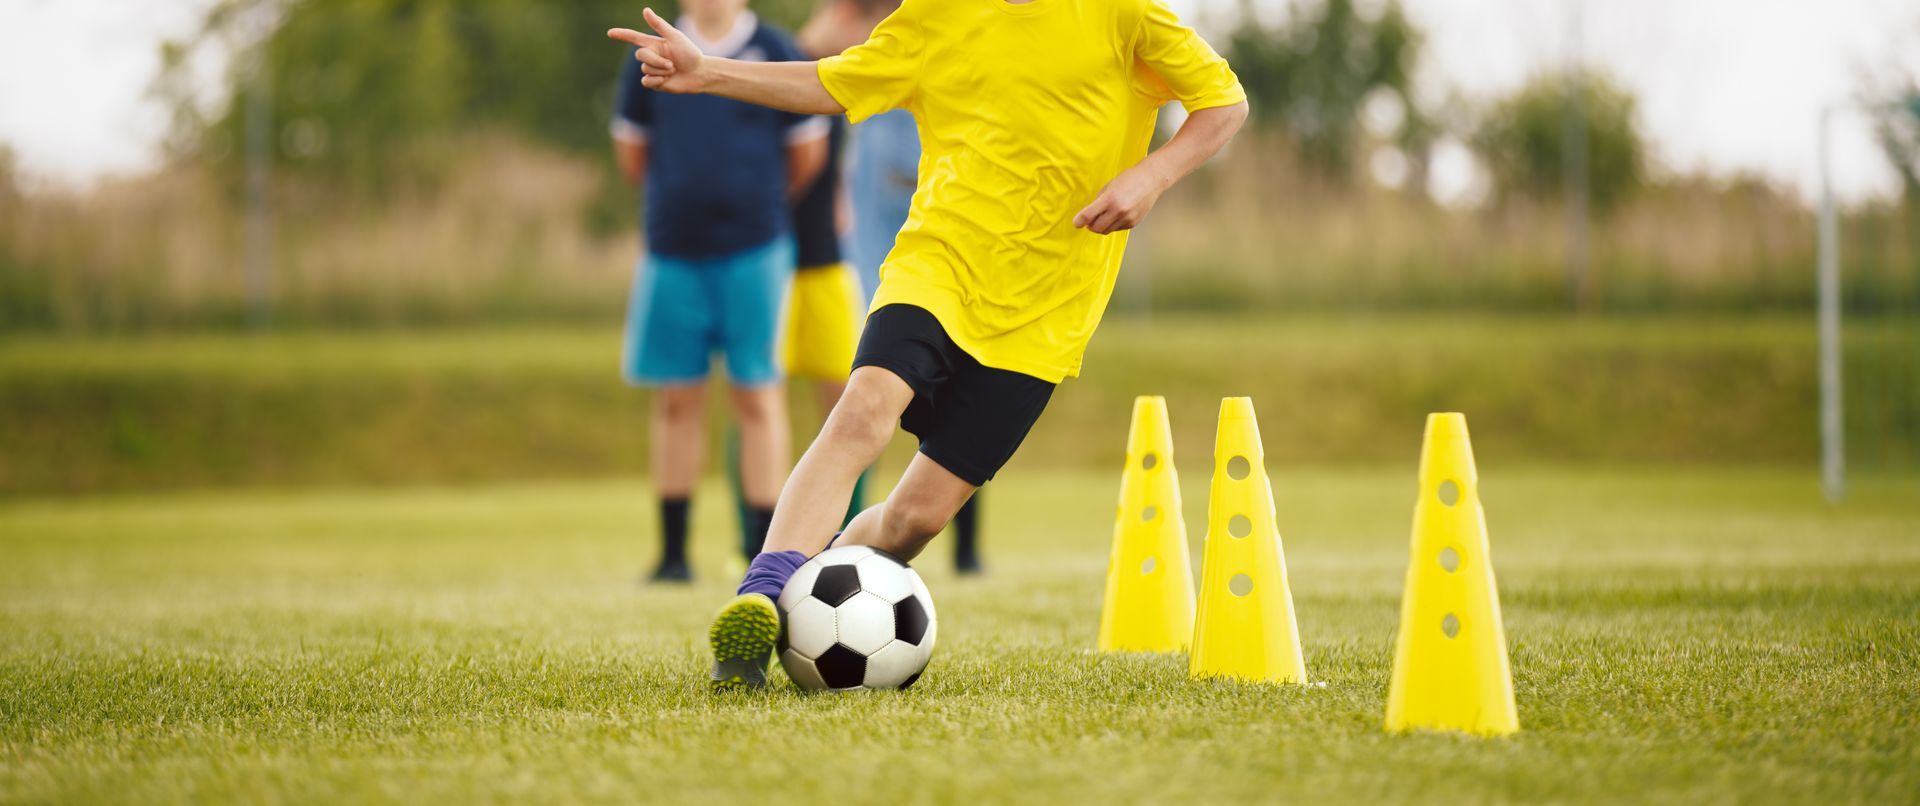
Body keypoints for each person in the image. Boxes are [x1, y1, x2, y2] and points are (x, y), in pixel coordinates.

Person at [609, 0, 1249, 687]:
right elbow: (834, 81)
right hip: (936, 265)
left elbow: (1223, 103)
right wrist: (709, 73)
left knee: (913, 520)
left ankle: (811, 595)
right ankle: (759, 600)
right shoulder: (935, 15)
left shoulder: (1123, 14)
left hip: (1044, 313)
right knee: (862, 412)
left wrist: (1149, 177)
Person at [610, 0, 828, 583]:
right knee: (677, 399)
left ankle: (760, 553)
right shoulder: (650, 56)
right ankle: (673, 554)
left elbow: (807, 153)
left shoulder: (777, 49)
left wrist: (749, 205)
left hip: (756, 250)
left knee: (757, 395)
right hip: (671, 250)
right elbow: (633, 151)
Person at [802, 0, 986, 575]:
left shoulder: (958, 22)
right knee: (866, 393)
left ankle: (967, 546)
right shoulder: (855, 27)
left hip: (949, 220)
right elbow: (809, 68)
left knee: (964, 391)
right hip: (871, 229)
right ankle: (833, 531)